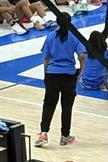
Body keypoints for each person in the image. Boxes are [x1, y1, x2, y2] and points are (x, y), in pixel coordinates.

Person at [36, 13, 85, 148]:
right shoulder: (74, 36)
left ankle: (43, 133)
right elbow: (81, 56)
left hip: (52, 75)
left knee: (49, 105)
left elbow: (46, 58)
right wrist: (80, 72)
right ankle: (65, 136)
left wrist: (46, 74)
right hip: (68, 76)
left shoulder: (50, 36)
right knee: (67, 107)